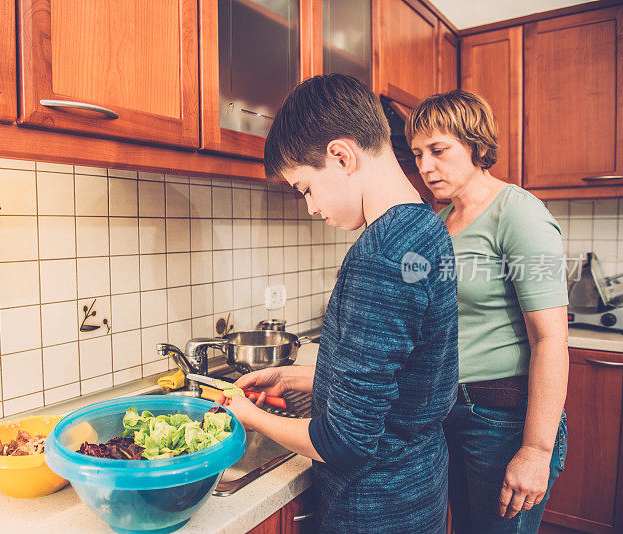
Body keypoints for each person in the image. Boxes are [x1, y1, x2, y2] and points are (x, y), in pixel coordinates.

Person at [215, 74, 458, 533]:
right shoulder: (425, 227)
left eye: (305, 187)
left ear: (341, 156)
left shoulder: (380, 257)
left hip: (374, 505)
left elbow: (343, 442)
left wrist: (247, 414)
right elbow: (402, 378)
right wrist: (290, 375)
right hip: (418, 486)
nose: (309, 207)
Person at [406, 89, 568, 533]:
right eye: (418, 153)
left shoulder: (518, 214)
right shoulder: (438, 223)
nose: (425, 166)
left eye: (439, 150)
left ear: (476, 147)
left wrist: (536, 449)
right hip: (447, 413)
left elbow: (551, 338)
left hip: (501, 418)